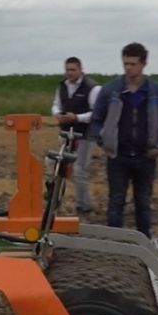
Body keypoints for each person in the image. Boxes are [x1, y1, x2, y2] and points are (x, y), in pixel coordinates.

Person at [89, 42, 158, 237]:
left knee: (143, 203)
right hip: (118, 157)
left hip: (146, 157)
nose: (128, 68)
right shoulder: (110, 91)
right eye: (125, 63)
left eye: (133, 64)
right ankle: (115, 245)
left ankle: (144, 243)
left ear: (143, 64)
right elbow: (96, 120)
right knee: (116, 202)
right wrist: (104, 143)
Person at [51, 56, 102, 217]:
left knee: (79, 170)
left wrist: (77, 118)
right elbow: (56, 104)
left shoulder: (93, 88)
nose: (70, 73)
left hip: (84, 135)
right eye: (67, 70)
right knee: (59, 167)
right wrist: (57, 114)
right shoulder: (62, 86)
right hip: (66, 133)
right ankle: (57, 202)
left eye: (73, 69)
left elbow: (97, 113)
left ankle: (83, 206)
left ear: (81, 70)